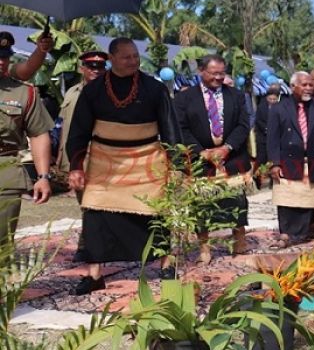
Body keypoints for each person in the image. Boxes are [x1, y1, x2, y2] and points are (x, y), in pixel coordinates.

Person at [66, 38, 181, 295]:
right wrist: (76, 165)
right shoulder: (93, 91)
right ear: (112, 58)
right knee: (94, 213)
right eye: (126, 57)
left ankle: (166, 264)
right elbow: (78, 131)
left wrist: (177, 165)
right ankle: (95, 274)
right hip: (105, 160)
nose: (133, 61)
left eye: (135, 56)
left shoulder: (154, 89)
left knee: (155, 213)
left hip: (146, 159)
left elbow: (170, 128)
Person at [174, 54, 251, 263]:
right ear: (201, 71)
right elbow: (181, 128)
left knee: (235, 201)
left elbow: (244, 125)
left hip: (231, 156)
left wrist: (227, 148)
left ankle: (239, 242)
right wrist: (201, 151)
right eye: (213, 73)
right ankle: (204, 249)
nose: (218, 77)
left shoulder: (236, 95)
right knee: (203, 206)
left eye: (222, 73)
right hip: (200, 159)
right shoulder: (184, 98)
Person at [267, 71, 314, 245]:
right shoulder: (278, 109)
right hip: (287, 161)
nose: (308, 88)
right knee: (287, 200)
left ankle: (302, 233)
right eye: (304, 85)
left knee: (309, 200)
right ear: (292, 87)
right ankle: (286, 234)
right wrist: (274, 163)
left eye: (310, 85)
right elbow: (272, 139)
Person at [0, 33, 53, 247]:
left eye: (5, 57)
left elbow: (39, 134)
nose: (2, 62)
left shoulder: (24, 93)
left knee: (2, 245)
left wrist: (43, 176)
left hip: (5, 172)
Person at [56, 51, 108, 262]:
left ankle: (87, 246)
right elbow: (63, 127)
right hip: (74, 157)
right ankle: (91, 244)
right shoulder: (71, 93)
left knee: (93, 202)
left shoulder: (110, 93)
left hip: (100, 157)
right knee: (85, 202)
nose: (95, 70)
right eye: (90, 66)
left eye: (100, 66)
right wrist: (59, 156)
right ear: (82, 68)